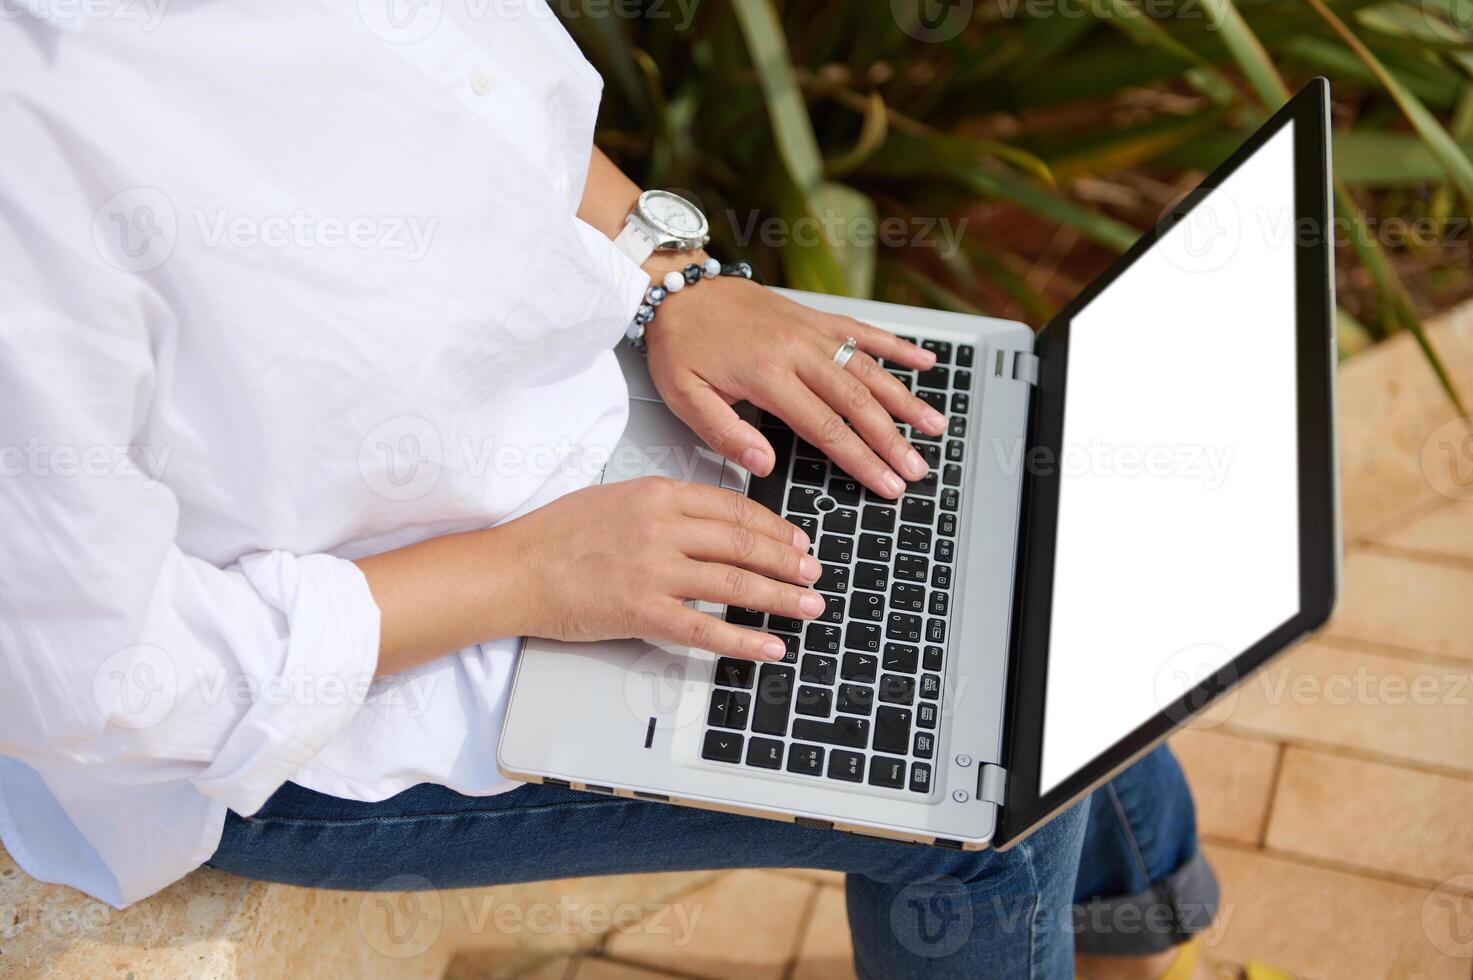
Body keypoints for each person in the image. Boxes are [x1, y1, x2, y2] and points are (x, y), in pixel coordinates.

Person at [0, 3, 1218, 975]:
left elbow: (507, 105)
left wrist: (674, 277)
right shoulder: (30, 140)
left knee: (1003, 539)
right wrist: (531, 572)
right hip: (349, 684)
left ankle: (1143, 928)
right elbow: (107, 687)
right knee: (987, 788)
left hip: (604, 415)